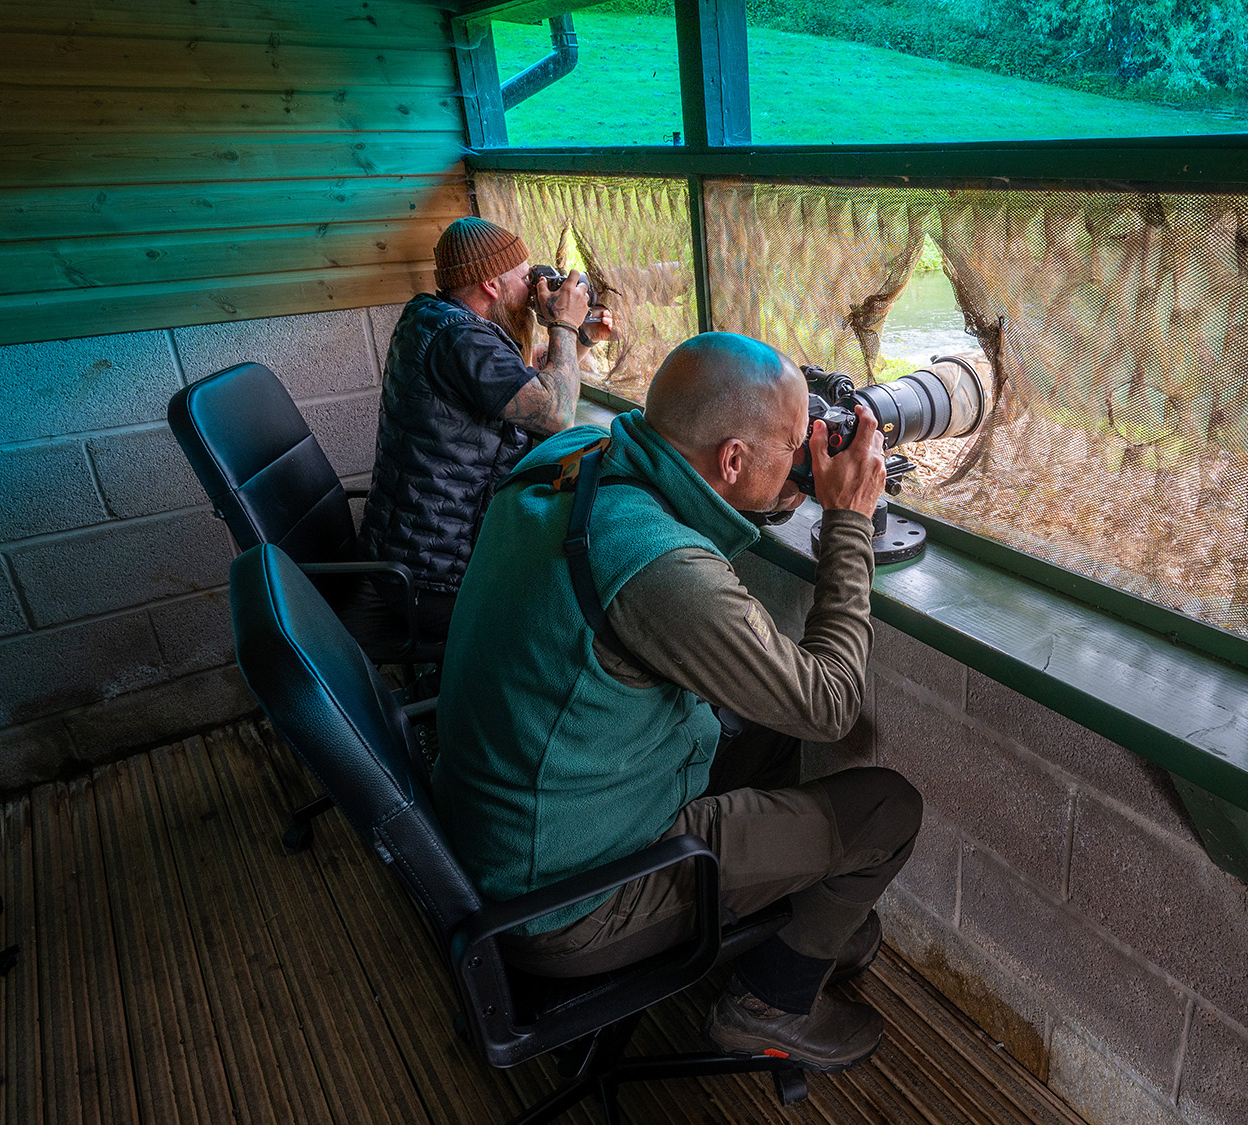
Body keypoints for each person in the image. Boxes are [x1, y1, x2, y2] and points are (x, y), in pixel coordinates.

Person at [430, 332, 923, 1071]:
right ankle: (768, 1002)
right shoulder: (660, 568)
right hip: (565, 902)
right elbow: (829, 703)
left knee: (764, 723)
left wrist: (778, 482)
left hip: (499, 827)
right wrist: (848, 521)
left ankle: (790, 915)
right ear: (730, 460)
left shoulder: (570, 457)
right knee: (886, 809)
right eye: (792, 444)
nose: (803, 456)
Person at [347, 216, 613, 653]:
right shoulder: (457, 338)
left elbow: (523, 384)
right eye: (525, 277)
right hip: (438, 580)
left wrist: (580, 336)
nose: (534, 287)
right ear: (491, 284)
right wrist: (562, 324)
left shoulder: (434, 321)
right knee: (576, 609)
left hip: (416, 553)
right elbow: (554, 414)